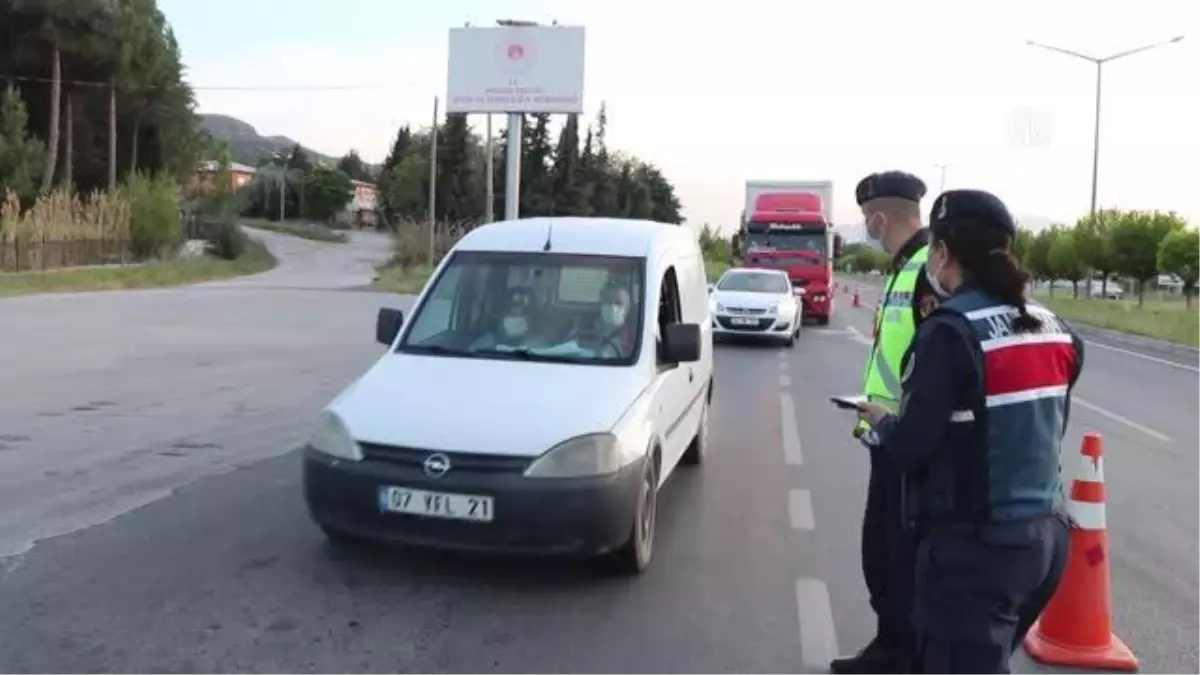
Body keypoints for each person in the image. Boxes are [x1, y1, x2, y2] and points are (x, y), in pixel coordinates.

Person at [855, 189, 1084, 675]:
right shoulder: (1055, 327)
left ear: (942, 254)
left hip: (978, 552)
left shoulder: (949, 331)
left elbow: (912, 445)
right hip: (1044, 543)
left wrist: (881, 421)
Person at [833, 170, 938, 675]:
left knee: (898, 557)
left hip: (910, 442)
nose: (865, 227)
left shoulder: (926, 270)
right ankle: (891, 645)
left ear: (878, 217)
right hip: (888, 436)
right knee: (882, 552)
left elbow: (941, 361)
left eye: (866, 219)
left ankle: (903, 655)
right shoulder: (905, 267)